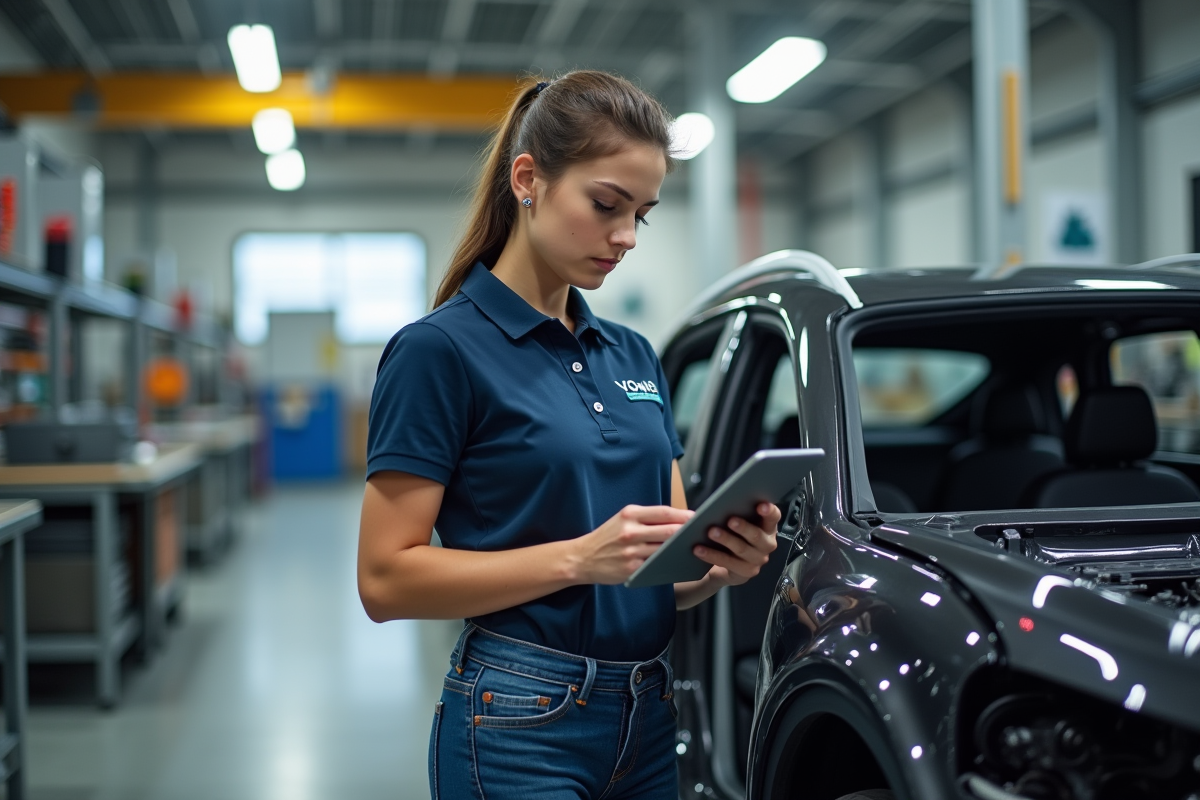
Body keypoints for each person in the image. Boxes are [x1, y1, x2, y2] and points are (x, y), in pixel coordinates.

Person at [357, 70, 780, 800]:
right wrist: (578, 560)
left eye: (641, 215)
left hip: (647, 712)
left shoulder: (633, 353)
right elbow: (384, 579)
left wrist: (718, 566)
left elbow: (656, 570)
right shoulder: (439, 350)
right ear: (529, 180)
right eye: (606, 204)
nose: (625, 238)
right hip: (519, 714)